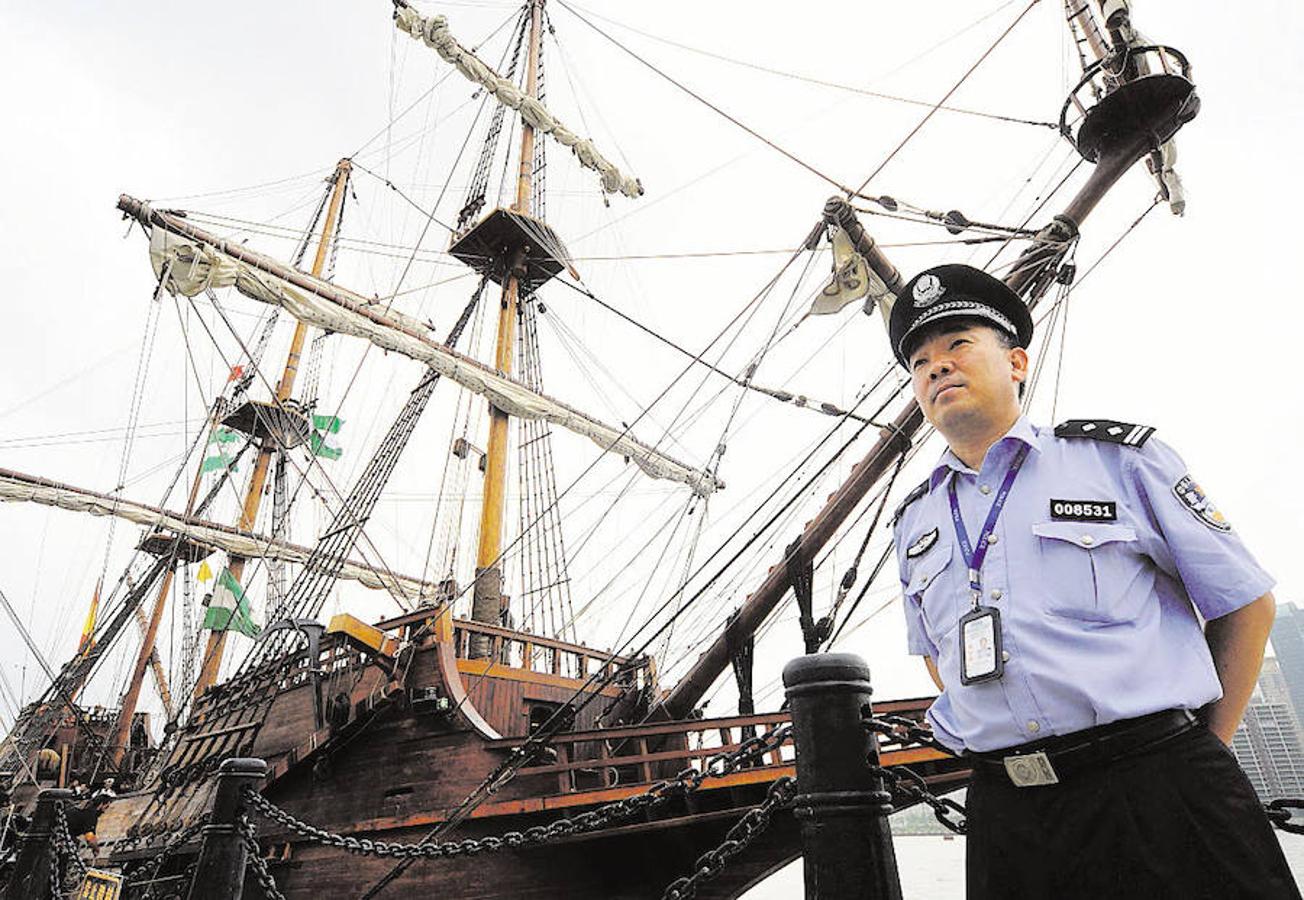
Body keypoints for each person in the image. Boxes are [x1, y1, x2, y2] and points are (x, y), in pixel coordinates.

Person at [888, 263, 1298, 899]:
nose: (936, 365)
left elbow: (1245, 604)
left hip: (1157, 790)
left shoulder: (1116, 462)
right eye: (919, 361)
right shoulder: (916, 517)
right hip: (1009, 814)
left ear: (1017, 363)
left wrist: (1195, 752)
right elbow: (941, 660)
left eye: (958, 344)